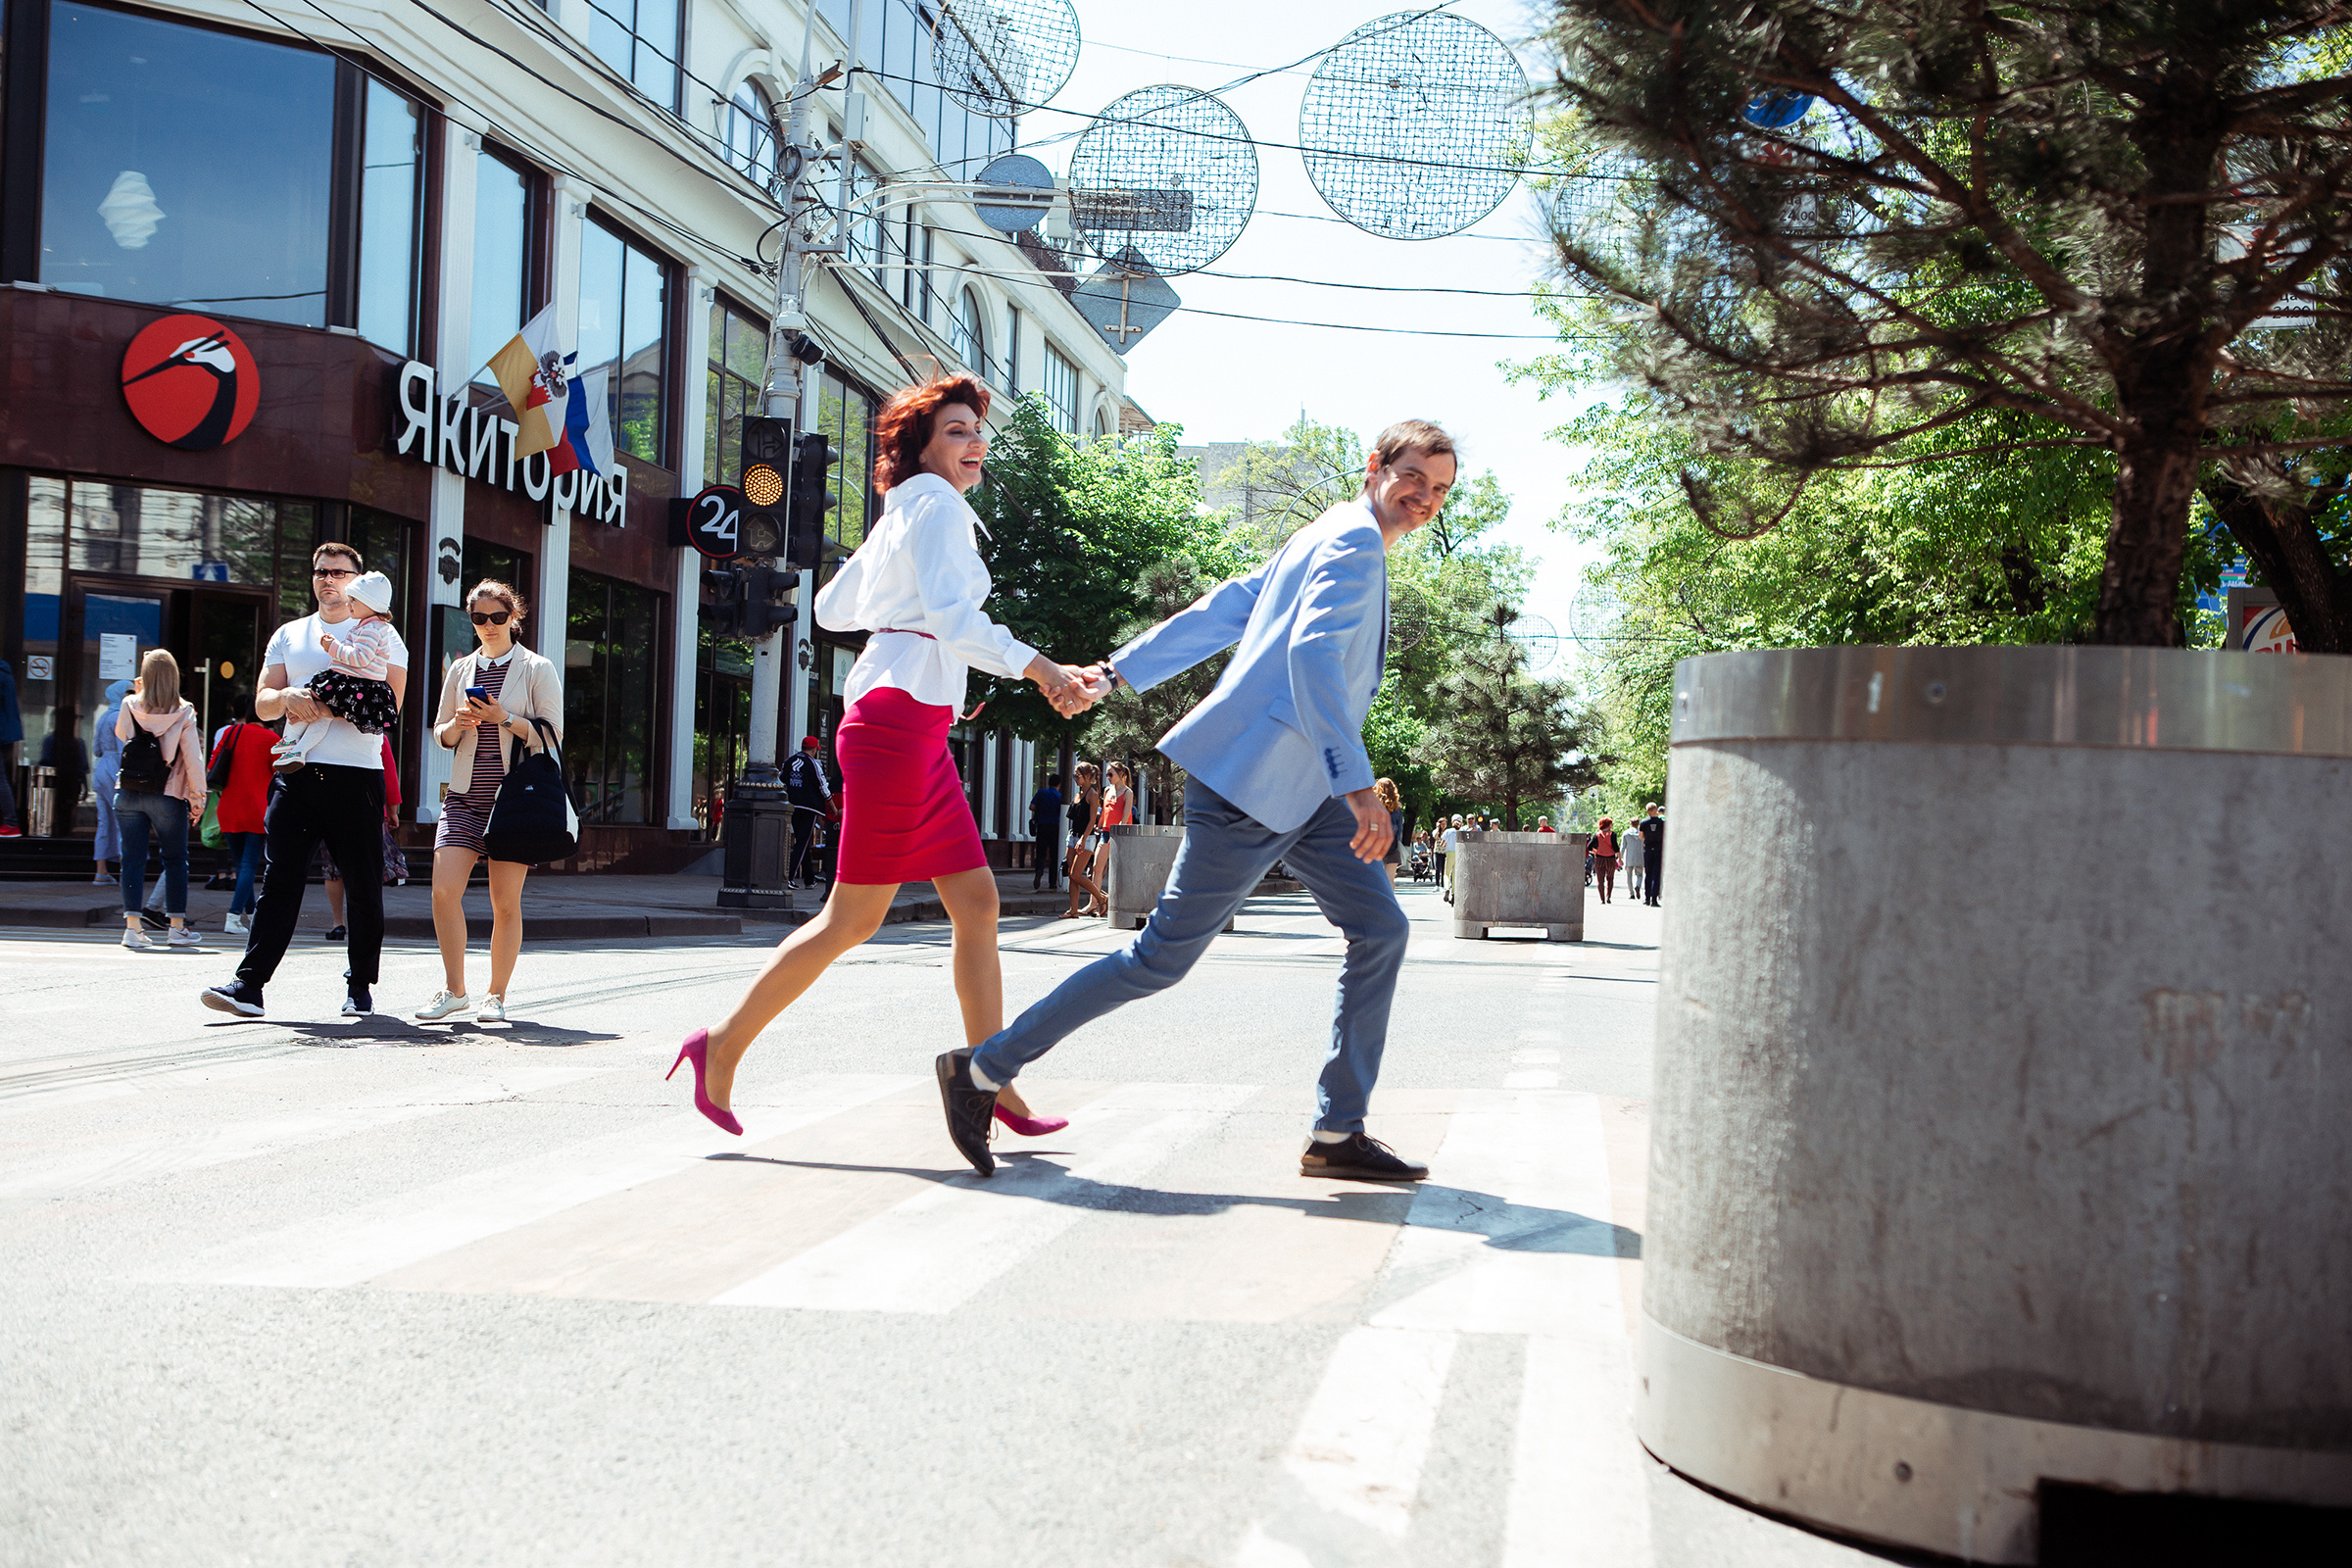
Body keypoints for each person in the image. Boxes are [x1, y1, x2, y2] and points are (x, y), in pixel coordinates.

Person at [937, 418, 1460, 1184]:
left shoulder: (1329, 533)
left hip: (1300, 786)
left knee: (1380, 929)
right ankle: (982, 1070)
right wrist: (1358, 786)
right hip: (1254, 782)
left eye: (1441, 490)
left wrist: (1115, 672)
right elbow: (1312, 657)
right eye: (1414, 477)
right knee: (1160, 960)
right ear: (1376, 465)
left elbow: (1228, 607)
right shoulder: (1351, 543)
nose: (1425, 498)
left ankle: (1338, 1131)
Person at [664, 371, 1094, 1142]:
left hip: (908, 722)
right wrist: (1040, 666)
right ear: (923, 449)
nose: (974, 444)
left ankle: (989, 1078)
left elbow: (832, 609)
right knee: (850, 920)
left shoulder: (909, 512)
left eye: (976, 431)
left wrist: (901, 614)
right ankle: (720, 1046)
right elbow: (957, 620)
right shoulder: (936, 510)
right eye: (956, 432)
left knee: (978, 905)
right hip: (897, 726)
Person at [200, 542, 407, 1019]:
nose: (329, 580)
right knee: (279, 880)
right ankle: (248, 986)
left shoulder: (382, 636)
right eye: (321, 572)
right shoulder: (291, 635)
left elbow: (388, 709)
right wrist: (290, 695)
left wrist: (329, 705)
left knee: (362, 885)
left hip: (356, 776)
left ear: (358, 583)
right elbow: (263, 703)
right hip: (295, 774)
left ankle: (360, 987)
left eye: (340, 573)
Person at [414, 579, 563, 1024]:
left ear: (513, 617)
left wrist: (505, 718)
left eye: (498, 617)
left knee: (504, 902)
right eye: (479, 618)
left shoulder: (537, 668)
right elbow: (440, 733)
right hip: (463, 797)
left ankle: (495, 995)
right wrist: (458, 725)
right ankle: (455, 989)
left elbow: (552, 734)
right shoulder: (461, 670)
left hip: (513, 801)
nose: (489, 626)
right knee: (443, 891)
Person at [113, 650, 207, 950]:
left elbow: (122, 734)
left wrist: (140, 698)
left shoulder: (129, 704)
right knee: (176, 860)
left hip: (128, 791)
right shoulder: (184, 711)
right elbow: (193, 758)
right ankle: (176, 927)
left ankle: (132, 928)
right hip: (167, 793)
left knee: (132, 860)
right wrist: (198, 798)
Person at [271, 572, 401, 768]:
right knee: (315, 710)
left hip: (353, 683)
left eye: (354, 600)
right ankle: (297, 748)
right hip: (351, 683)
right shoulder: (367, 627)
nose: (349, 605)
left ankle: (293, 741)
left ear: (370, 604)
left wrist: (333, 647)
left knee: (309, 700)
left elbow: (360, 658)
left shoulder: (372, 629)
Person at [208, 704, 277, 935]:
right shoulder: (272, 738)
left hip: (228, 807)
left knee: (241, 864)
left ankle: (251, 910)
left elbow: (212, 766)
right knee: (248, 866)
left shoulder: (231, 733)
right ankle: (234, 915)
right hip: (257, 810)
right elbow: (280, 773)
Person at [89, 679, 130, 883]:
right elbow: (125, 751)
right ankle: (126, 871)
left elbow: (96, 749)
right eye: (129, 691)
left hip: (102, 768)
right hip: (116, 770)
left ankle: (101, 871)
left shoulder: (104, 716)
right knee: (125, 820)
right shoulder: (121, 718)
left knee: (104, 821)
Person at [1063, 761, 1105, 918]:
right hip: (1073, 836)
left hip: (1086, 839)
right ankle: (1073, 910)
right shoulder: (1079, 793)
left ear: (1087, 776)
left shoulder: (1092, 795)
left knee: (1076, 874)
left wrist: (1083, 838)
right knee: (1071, 873)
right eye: (1074, 775)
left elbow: (1092, 820)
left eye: (1077, 776)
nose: (1075, 778)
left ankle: (1101, 898)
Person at [1028, 772, 1064, 891]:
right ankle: (1052, 882)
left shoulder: (1041, 793)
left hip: (1042, 826)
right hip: (1055, 827)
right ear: (1059, 784)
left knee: (1040, 853)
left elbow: (1032, 807)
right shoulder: (1059, 797)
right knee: (1054, 855)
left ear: (1049, 783)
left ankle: (1039, 871)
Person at [1374, 777, 1406, 884]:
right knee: (1390, 881)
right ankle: (1389, 901)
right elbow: (1400, 831)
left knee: (1375, 880)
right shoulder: (1397, 809)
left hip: (1375, 848)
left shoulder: (1373, 807)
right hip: (1392, 849)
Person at [1638, 803, 1664, 906]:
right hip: (1659, 848)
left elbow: (1641, 836)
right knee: (1656, 874)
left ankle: (1647, 898)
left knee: (1648, 873)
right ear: (1656, 809)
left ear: (1647, 811)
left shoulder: (1644, 822)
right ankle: (1654, 899)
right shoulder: (1662, 822)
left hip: (1648, 848)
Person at [1592, 815, 1619, 904]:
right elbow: (1616, 847)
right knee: (1610, 878)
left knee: (1600, 879)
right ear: (1608, 824)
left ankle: (1602, 899)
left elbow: (1589, 846)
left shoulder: (1597, 835)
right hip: (1610, 859)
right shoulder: (1613, 834)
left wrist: (1595, 851)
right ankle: (1608, 897)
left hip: (1599, 859)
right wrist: (1620, 858)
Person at [1619, 810, 1645, 896]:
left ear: (1631, 823)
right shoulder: (1642, 834)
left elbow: (1623, 846)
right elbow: (1645, 845)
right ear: (1638, 824)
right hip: (1639, 857)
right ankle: (1638, 885)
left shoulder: (1626, 833)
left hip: (1629, 857)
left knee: (1629, 876)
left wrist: (1620, 858)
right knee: (1640, 875)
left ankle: (1631, 893)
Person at [1440, 814, 1461, 904]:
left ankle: (1447, 888)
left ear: (1452, 822)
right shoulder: (1462, 831)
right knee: (1455, 874)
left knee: (1447, 873)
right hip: (1459, 853)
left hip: (1449, 853)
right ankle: (1454, 893)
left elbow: (1442, 844)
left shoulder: (1448, 831)